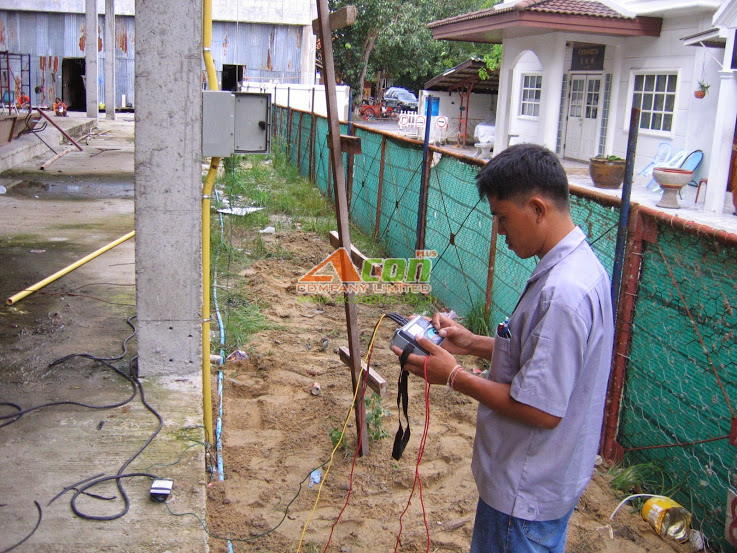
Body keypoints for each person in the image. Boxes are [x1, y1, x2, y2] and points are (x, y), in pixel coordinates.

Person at [392, 143, 614, 553]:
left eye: (502, 217)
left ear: (537, 208)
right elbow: (545, 358)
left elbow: (541, 409)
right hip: (543, 482)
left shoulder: (563, 294)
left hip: (525, 494)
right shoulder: (582, 269)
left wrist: (453, 376)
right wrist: (473, 343)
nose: (498, 230)